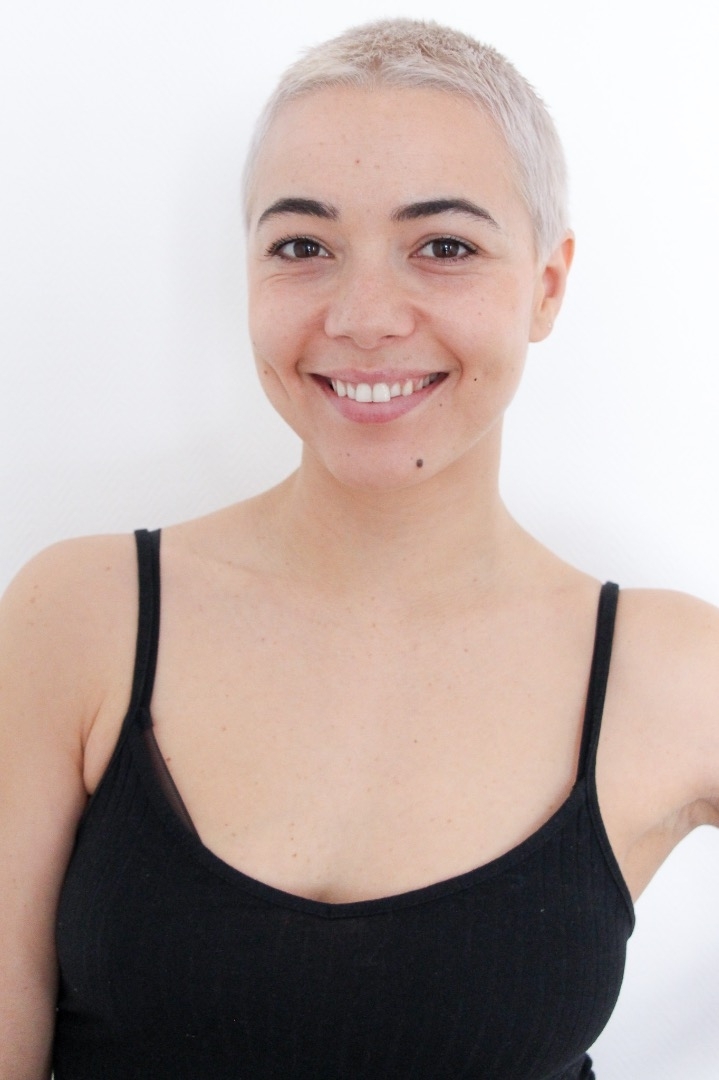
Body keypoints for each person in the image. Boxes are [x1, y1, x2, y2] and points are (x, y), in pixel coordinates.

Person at [1, 16, 717, 1080]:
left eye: (444, 246)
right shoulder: (82, 613)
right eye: (302, 246)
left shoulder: (673, 672)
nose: (364, 315)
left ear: (547, 285)